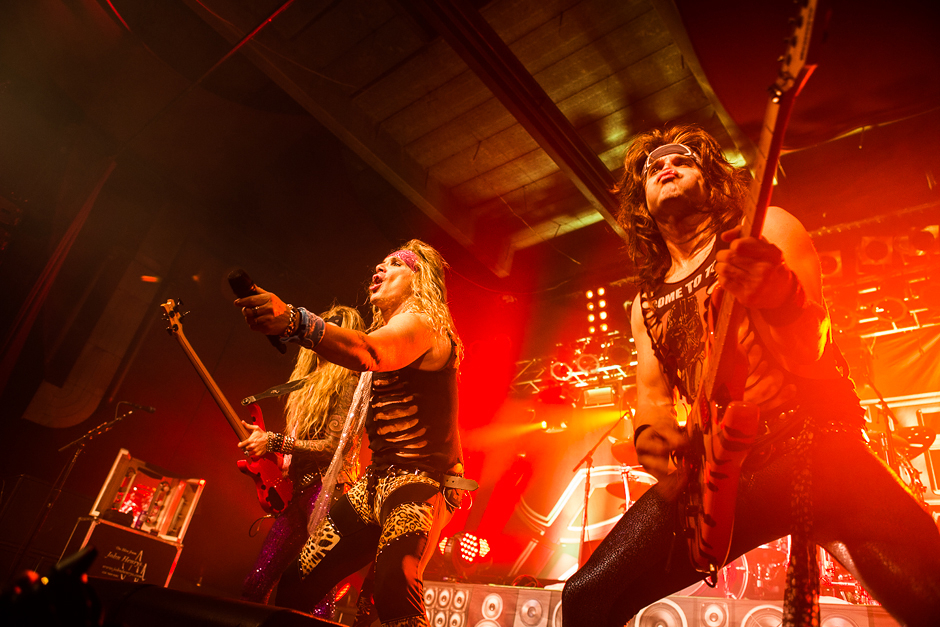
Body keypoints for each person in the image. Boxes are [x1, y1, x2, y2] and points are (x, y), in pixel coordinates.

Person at [561, 124, 940, 627]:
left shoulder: (768, 228)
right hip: (716, 473)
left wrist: (779, 297)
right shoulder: (644, 303)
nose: (666, 167)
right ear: (641, 203)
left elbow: (812, 351)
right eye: (653, 168)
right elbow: (652, 398)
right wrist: (651, 436)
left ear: (712, 177)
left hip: (811, 445)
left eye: (682, 160)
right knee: (587, 597)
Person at [235, 239, 473, 627]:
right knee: (298, 582)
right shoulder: (394, 328)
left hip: (420, 482)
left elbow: (370, 352)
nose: (379, 269)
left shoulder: (427, 324)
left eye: (396, 263)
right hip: (374, 484)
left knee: (393, 591)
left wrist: (296, 321)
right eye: (379, 262)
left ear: (421, 278)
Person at [237, 305, 365, 618]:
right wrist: (267, 448)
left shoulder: (348, 381)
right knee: (255, 584)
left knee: (316, 593)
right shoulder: (306, 383)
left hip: (329, 493)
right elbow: (299, 449)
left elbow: (332, 447)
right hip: (299, 494)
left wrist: (275, 441)